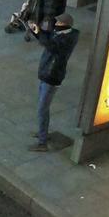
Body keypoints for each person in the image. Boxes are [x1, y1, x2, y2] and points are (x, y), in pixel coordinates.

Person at [28, 13, 79, 152]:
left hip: (52, 77)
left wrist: (40, 33)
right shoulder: (62, 33)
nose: (55, 24)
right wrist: (37, 31)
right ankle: (42, 132)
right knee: (43, 106)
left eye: (58, 23)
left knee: (42, 109)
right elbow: (47, 37)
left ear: (64, 25)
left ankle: (42, 142)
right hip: (46, 73)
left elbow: (51, 45)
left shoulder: (65, 40)